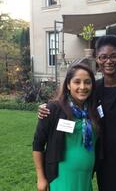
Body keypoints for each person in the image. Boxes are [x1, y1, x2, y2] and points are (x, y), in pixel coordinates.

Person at [38, 35, 116, 191]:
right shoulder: (94, 89)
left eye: (113, 56)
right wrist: (46, 109)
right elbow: (70, 101)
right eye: (103, 57)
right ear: (98, 59)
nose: (109, 61)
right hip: (103, 157)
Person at [32, 63, 99, 191]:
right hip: (61, 177)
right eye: (77, 82)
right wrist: (41, 178)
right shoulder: (53, 109)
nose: (82, 87)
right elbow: (38, 144)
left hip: (85, 179)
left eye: (87, 82)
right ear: (68, 85)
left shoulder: (93, 110)